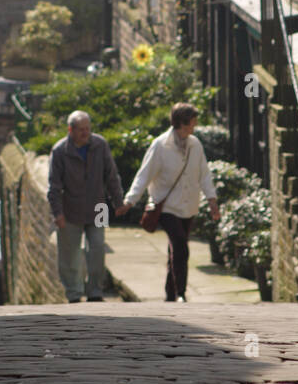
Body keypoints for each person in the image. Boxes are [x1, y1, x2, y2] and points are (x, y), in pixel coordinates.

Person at [122, 102, 219, 302]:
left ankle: (169, 295)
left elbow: (204, 175)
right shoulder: (160, 146)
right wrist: (130, 201)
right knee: (181, 246)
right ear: (181, 124)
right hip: (166, 206)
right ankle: (181, 293)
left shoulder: (195, 144)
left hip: (189, 205)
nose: (194, 126)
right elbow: (144, 175)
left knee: (174, 251)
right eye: (192, 123)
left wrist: (212, 201)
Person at [47, 110, 124, 303]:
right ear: (70, 130)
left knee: (97, 250)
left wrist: (118, 201)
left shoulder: (100, 144)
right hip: (70, 208)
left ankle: (95, 292)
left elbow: (111, 176)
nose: (85, 133)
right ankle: (73, 293)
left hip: (99, 207)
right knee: (69, 255)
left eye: (88, 129)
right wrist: (57, 213)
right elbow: (54, 187)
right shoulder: (59, 151)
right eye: (81, 129)